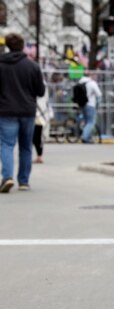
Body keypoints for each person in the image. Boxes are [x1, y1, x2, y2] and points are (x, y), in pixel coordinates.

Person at [0, 33, 46, 193]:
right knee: (26, 146)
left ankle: (7, 177)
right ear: (22, 46)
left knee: (6, 144)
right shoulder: (32, 66)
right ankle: (24, 181)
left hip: (5, 110)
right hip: (27, 110)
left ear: (7, 45)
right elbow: (40, 91)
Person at [77, 72, 102, 144]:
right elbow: (99, 94)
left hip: (82, 104)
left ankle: (88, 137)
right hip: (90, 104)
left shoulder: (80, 82)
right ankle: (84, 137)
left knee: (86, 121)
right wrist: (98, 104)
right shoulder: (92, 83)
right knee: (91, 122)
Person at [33, 81, 50, 164]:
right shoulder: (44, 84)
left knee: (37, 136)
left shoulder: (40, 83)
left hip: (37, 113)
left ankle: (39, 156)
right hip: (42, 112)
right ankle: (39, 156)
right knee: (38, 135)